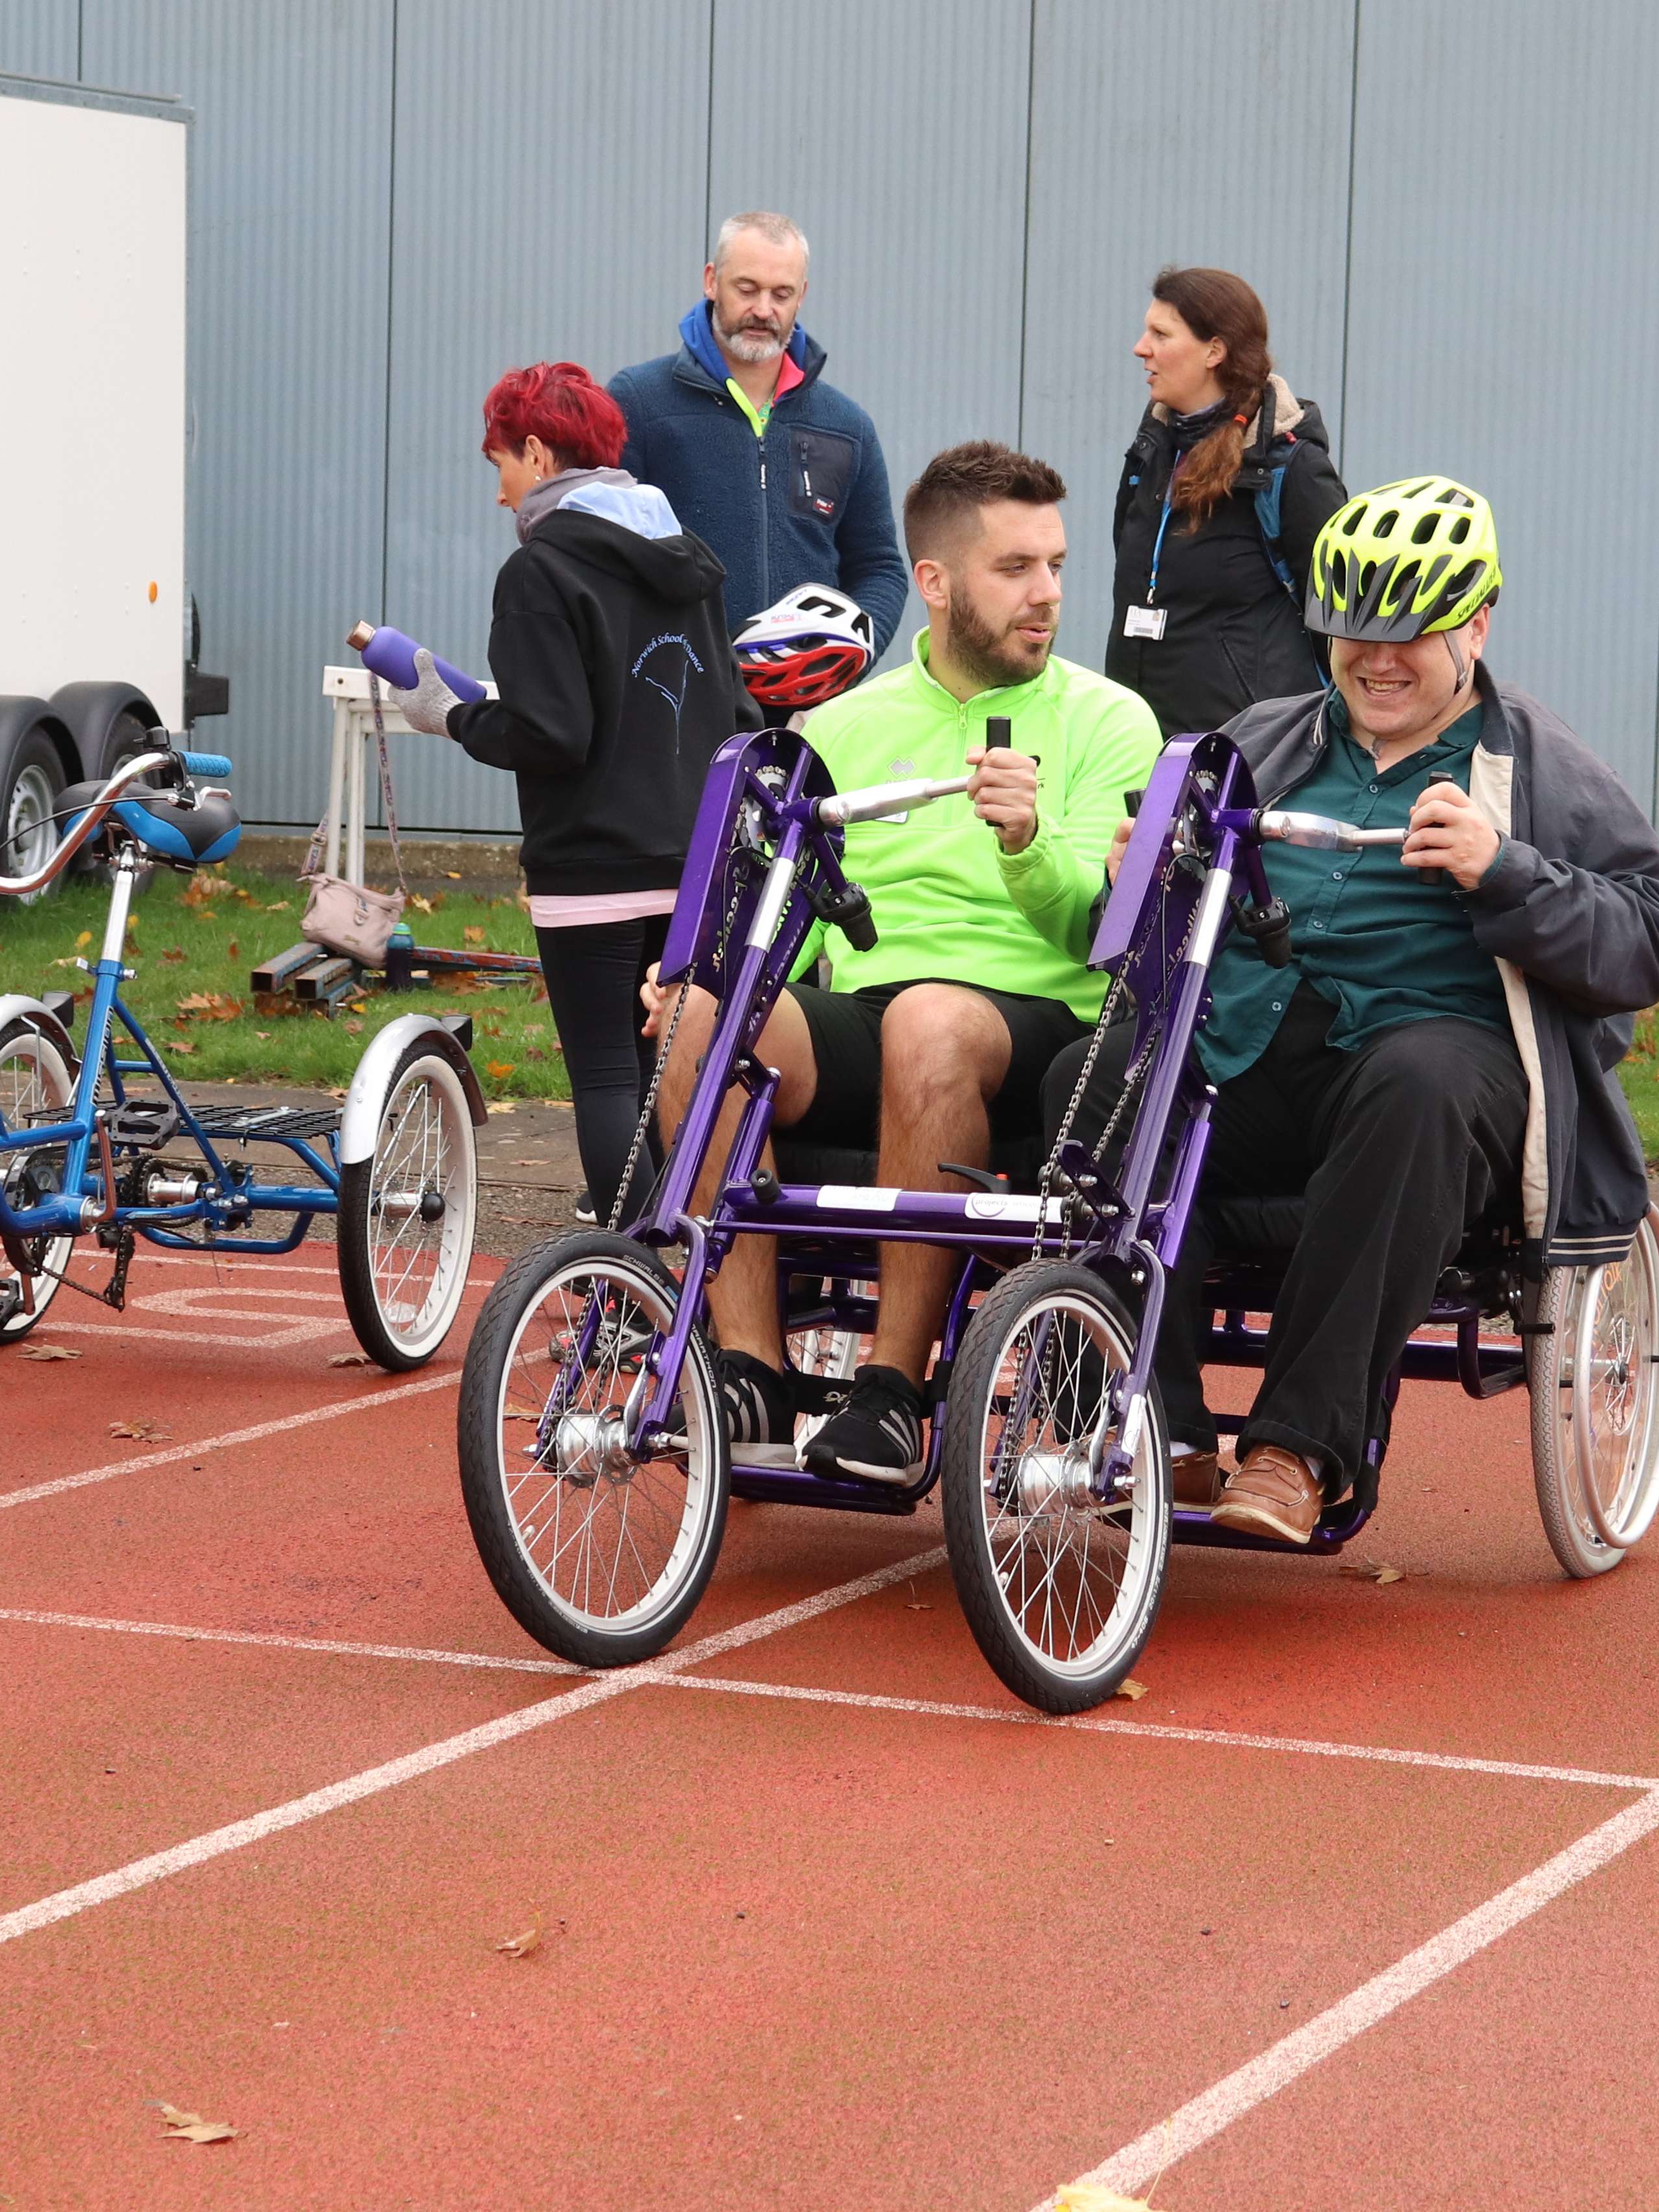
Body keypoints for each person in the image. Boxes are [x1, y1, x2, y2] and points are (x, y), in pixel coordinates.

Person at [1068, 477, 1659, 1540]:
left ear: (1478, 623)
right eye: (1355, 635)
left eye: (1412, 633)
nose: (1380, 660)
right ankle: (1156, 1432)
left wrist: (1507, 871)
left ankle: (1299, 1453)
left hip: (1443, 1061)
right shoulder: (1265, 740)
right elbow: (1132, 935)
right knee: (1106, 1070)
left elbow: (1655, 935)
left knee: (1418, 1080)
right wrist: (1141, 878)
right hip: (1263, 1045)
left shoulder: (1532, 759)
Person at [652, 442, 1161, 1485]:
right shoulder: (841, 725)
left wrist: (1028, 847)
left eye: (1056, 566)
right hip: (876, 1012)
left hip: (1036, 1020)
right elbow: (785, 915)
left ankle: (892, 1390)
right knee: (705, 1014)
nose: (1047, 595)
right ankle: (752, 1369)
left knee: (928, 1018)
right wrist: (695, 969)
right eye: (1015, 569)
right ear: (933, 582)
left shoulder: (1112, 720)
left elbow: (1098, 936)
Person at [374, 362, 751, 1219]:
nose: (502, 493)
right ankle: (688, 1267)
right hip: (692, 859)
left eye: (501, 463)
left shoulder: (540, 572)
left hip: (590, 864)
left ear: (539, 454)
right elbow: (731, 707)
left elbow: (552, 733)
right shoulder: (690, 562)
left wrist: (450, 716)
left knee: (609, 1078)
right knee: (674, 1070)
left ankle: (629, 1272)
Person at [609, 211, 907, 652]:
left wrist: (848, 663)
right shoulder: (637, 402)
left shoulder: (847, 425)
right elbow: (601, 559)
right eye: (746, 289)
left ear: (801, 296)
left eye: (781, 294)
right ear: (712, 281)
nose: (763, 310)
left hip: (808, 709)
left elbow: (879, 568)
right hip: (675, 701)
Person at [1104, 266, 1348, 736]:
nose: (1141, 347)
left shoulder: (1288, 466)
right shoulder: (1151, 450)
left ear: (1214, 350)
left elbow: (1341, 620)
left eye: (1160, 333)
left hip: (1246, 757)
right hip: (1138, 748)